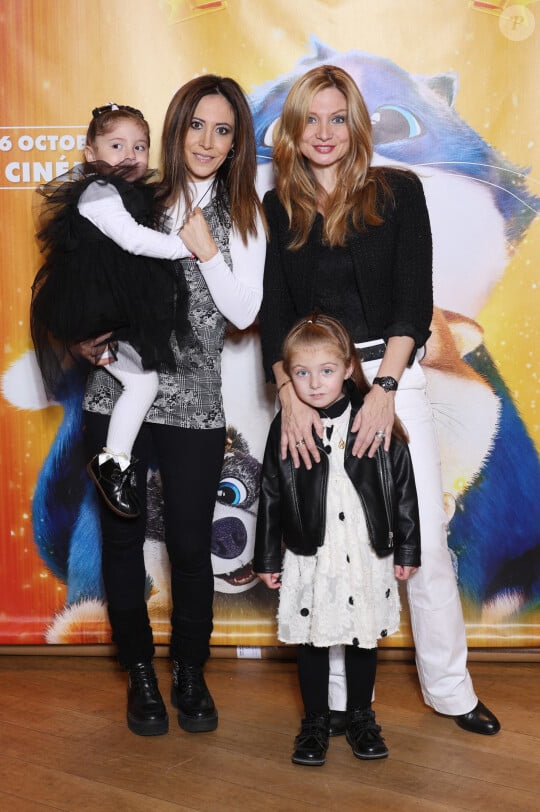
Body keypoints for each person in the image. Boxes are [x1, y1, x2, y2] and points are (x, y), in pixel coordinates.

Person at [258, 65, 500, 737]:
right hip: (312, 388)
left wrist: (386, 390)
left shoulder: (398, 191)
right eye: (312, 118)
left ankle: (451, 691)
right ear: (293, 129)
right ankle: (336, 700)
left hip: (393, 377)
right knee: (329, 546)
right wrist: (291, 397)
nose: (325, 132)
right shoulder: (280, 205)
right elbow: (275, 313)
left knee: (418, 541)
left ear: (358, 124)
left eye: (339, 117)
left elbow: (410, 304)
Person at [80, 76, 266, 736]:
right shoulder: (134, 196)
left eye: (223, 130)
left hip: (195, 405)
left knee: (191, 546)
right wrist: (77, 331)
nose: (208, 141)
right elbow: (84, 269)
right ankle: (139, 676)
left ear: (236, 141)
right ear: (176, 126)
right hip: (120, 392)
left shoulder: (244, 215)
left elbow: (245, 312)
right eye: (197, 125)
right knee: (122, 543)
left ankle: (190, 672)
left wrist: (208, 249)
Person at [254, 314, 421, 766]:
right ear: (288, 375)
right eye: (301, 373)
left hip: (365, 552)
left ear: (348, 367)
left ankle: (362, 716)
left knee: (363, 638)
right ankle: (315, 721)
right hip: (312, 552)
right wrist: (267, 558)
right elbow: (270, 493)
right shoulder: (286, 427)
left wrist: (406, 548)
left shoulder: (373, 418)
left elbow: (402, 487)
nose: (313, 383)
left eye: (326, 371)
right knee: (311, 640)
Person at [31, 103, 193, 519]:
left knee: (143, 384)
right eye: (116, 145)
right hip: (98, 306)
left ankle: (114, 460)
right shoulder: (99, 192)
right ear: (90, 153)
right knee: (142, 386)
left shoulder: (125, 194)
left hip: (115, 305)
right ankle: (113, 461)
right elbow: (133, 241)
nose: (130, 155)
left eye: (140, 146)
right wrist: (185, 247)